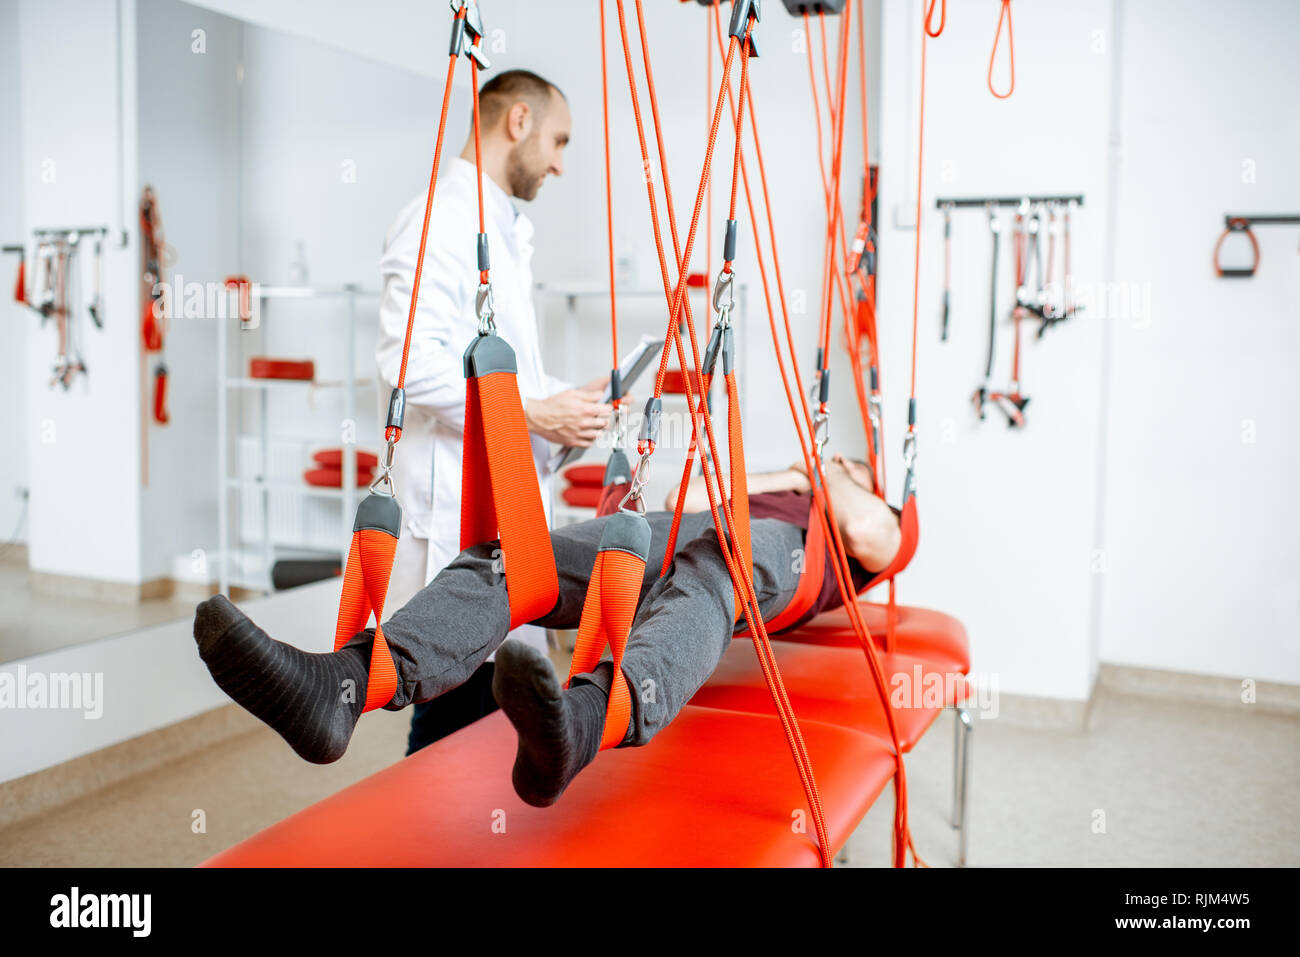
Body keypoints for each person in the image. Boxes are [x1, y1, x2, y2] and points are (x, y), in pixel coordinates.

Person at [193, 452, 899, 807]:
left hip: (776, 552)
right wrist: (797, 468)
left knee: (720, 568)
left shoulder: (866, 516)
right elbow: (719, 475)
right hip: (695, 525)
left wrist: (828, 467)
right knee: (515, 560)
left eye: (851, 469)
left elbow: (873, 534)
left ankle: (586, 719)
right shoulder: (795, 480)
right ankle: (346, 684)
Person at [375, 69, 612, 751]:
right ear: (517, 120)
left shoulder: (500, 229)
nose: (561, 163)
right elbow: (408, 363)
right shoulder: (435, 219)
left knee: (486, 724)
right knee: (453, 718)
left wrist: (568, 406)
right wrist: (537, 413)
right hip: (457, 514)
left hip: (506, 516)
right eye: (558, 141)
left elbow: (510, 377)